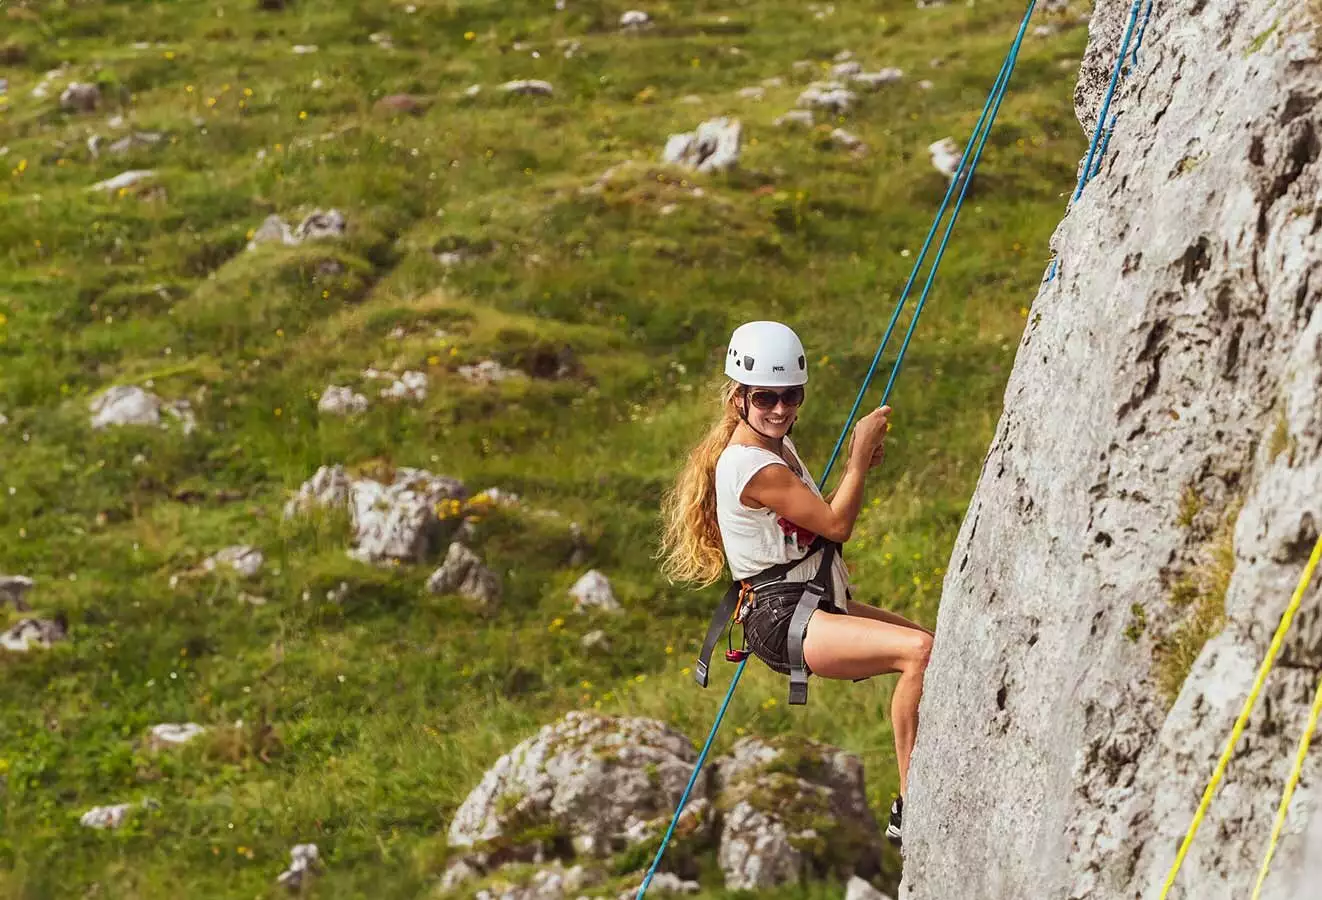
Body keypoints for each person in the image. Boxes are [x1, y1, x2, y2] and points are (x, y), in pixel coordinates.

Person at [659, 320, 934, 845]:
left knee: (932, 650)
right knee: (918, 652)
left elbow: (817, 518)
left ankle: (919, 780)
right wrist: (856, 461)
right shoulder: (752, 465)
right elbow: (836, 526)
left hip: (811, 603)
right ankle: (911, 803)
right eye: (766, 398)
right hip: (785, 616)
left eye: (791, 396)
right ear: (738, 398)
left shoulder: (775, 448)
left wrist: (858, 470)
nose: (780, 409)